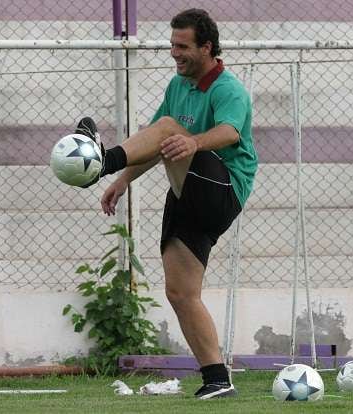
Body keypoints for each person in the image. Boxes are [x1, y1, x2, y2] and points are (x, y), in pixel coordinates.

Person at [75, 8, 257, 399]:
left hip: (222, 188)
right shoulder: (177, 87)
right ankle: (217, 380)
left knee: (171, 128)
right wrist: (123, 181)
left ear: (207, 47)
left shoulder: (229, 89)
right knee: (180, 292)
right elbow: (153, 142)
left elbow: (228, 132)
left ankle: (100, 160)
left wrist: (192, 141)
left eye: (182, 46)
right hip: (188, 192)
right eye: (171, 45)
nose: (174, 52)